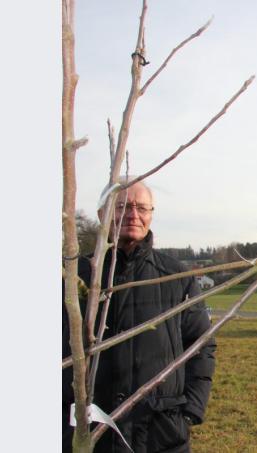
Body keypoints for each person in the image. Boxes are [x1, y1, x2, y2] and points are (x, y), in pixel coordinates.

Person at [62, 180, 216, 453]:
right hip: (86, 433)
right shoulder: (73, 277)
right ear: (102, 215)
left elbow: (201, 345)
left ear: (151, 215)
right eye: (123, 207)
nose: (134, 215)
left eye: (142, 208)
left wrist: (192, 407)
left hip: (160, 434)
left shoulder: (176, 277)